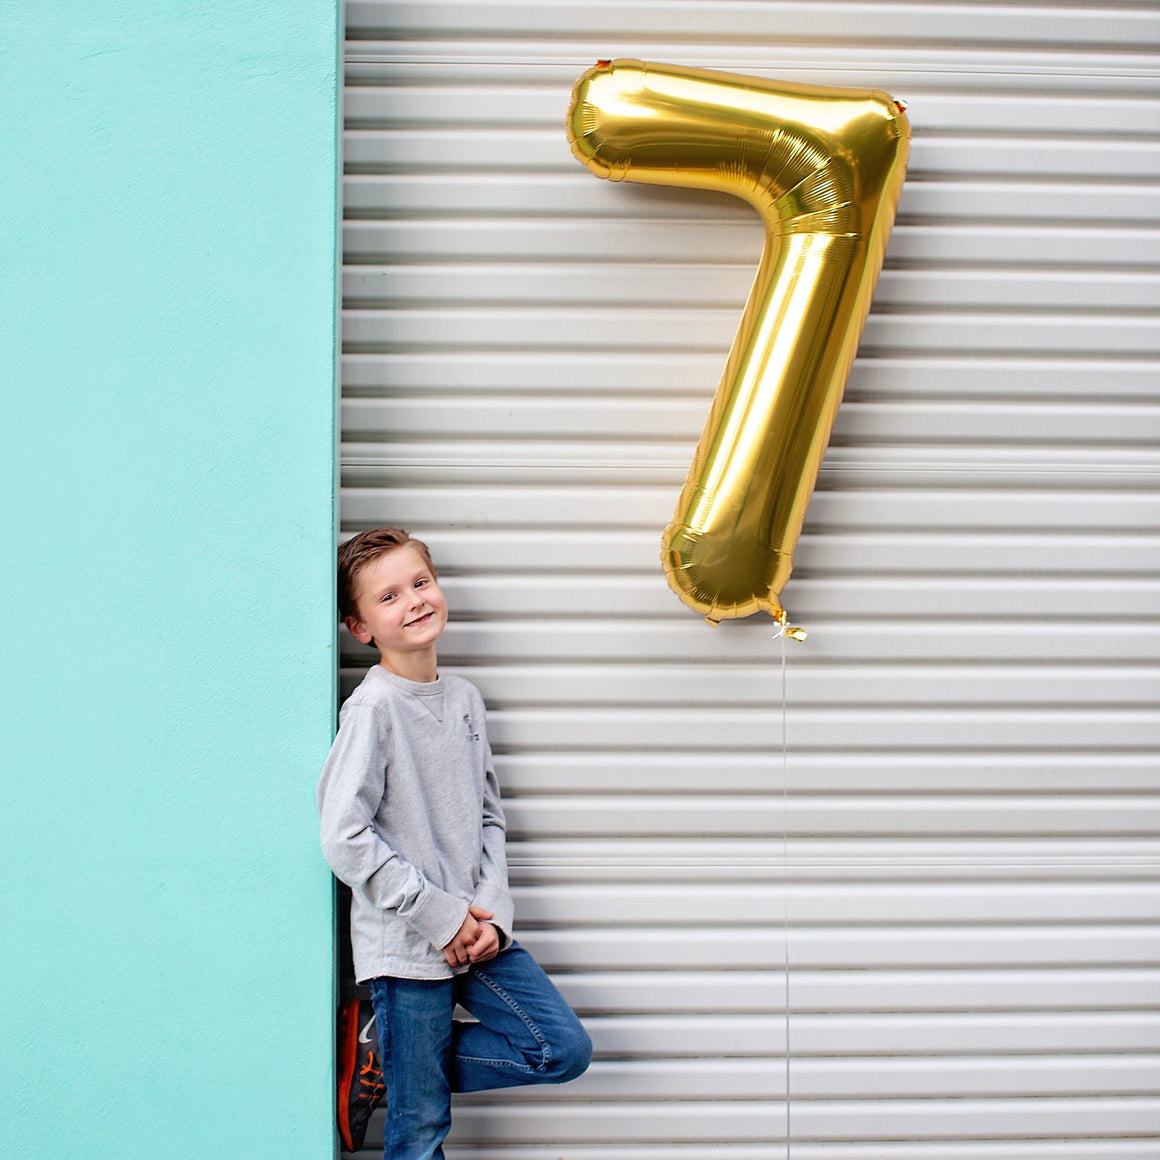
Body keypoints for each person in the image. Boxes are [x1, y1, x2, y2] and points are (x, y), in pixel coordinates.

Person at [318, 527, 591, 1158]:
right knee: (420, 1129)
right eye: (387, 597)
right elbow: (343, 837)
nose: (413, 601)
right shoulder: (372, 711)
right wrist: (441, 919)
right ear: (359, 628)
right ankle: (396, 1060)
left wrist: (492, 915)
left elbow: (489, 818)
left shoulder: (465, 699)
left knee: (561, 1049)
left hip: (480, 933)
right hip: (410, 946)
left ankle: (384, 1057)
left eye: (419, 582)